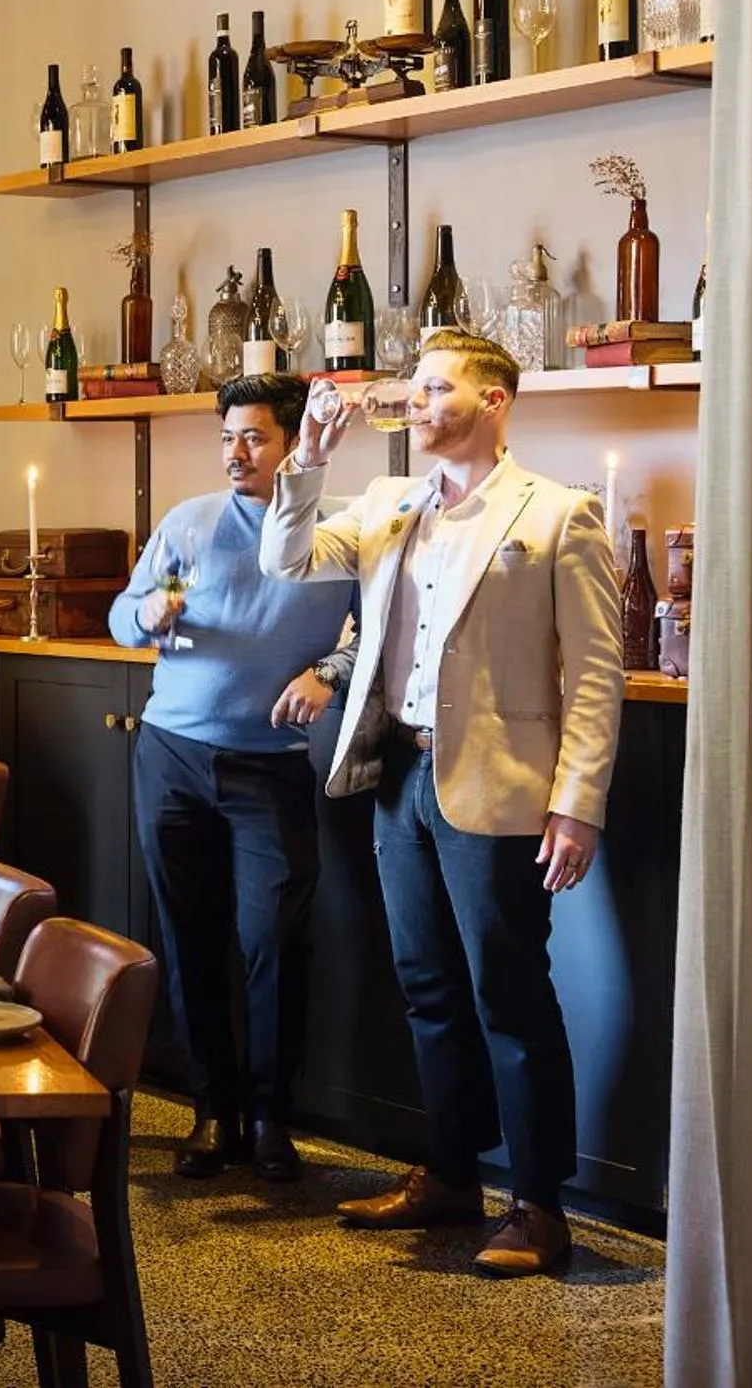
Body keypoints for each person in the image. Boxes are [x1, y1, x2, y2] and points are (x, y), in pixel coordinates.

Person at [261, 329, 622, 1277]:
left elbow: (594, 676)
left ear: (494, 400)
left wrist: (576, 806)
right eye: (413, 389)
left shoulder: (557, 515)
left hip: (500, 787)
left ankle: (540, 1207)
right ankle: (451, 1175)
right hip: (401, 776)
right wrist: (309, 454)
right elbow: (285, 560)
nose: (415, 403)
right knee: (426, 988)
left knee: (509, 994)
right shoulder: (389, 504)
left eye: (434, 388)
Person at [107, 375, 356, 1185]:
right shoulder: (189, 523)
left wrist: (329, 668)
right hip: (172, 752)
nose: (235, 454)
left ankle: (272, 1116)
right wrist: (145, 617)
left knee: (274, 942)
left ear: (293, 444)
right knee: (187, 936)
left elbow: (380, 638)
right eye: (227, 439)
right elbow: (122, 614)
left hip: (270, 767)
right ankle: (213, 1111)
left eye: (253, 438)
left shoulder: (337, 537)